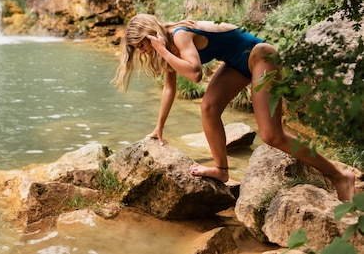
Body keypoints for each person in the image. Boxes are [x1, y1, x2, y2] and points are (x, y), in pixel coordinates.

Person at [112, 13, 355, 202]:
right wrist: (159, 128)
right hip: (238, 62)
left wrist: (162, 51)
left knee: (272, 135)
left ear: (149, 34)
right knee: (208, 107)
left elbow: (195, 74)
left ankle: (340, 175)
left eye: (141, 45)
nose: (143, 52)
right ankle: (221, 170)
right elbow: (169, 88)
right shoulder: (166, 45)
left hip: (261, 56)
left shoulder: (178, 35)